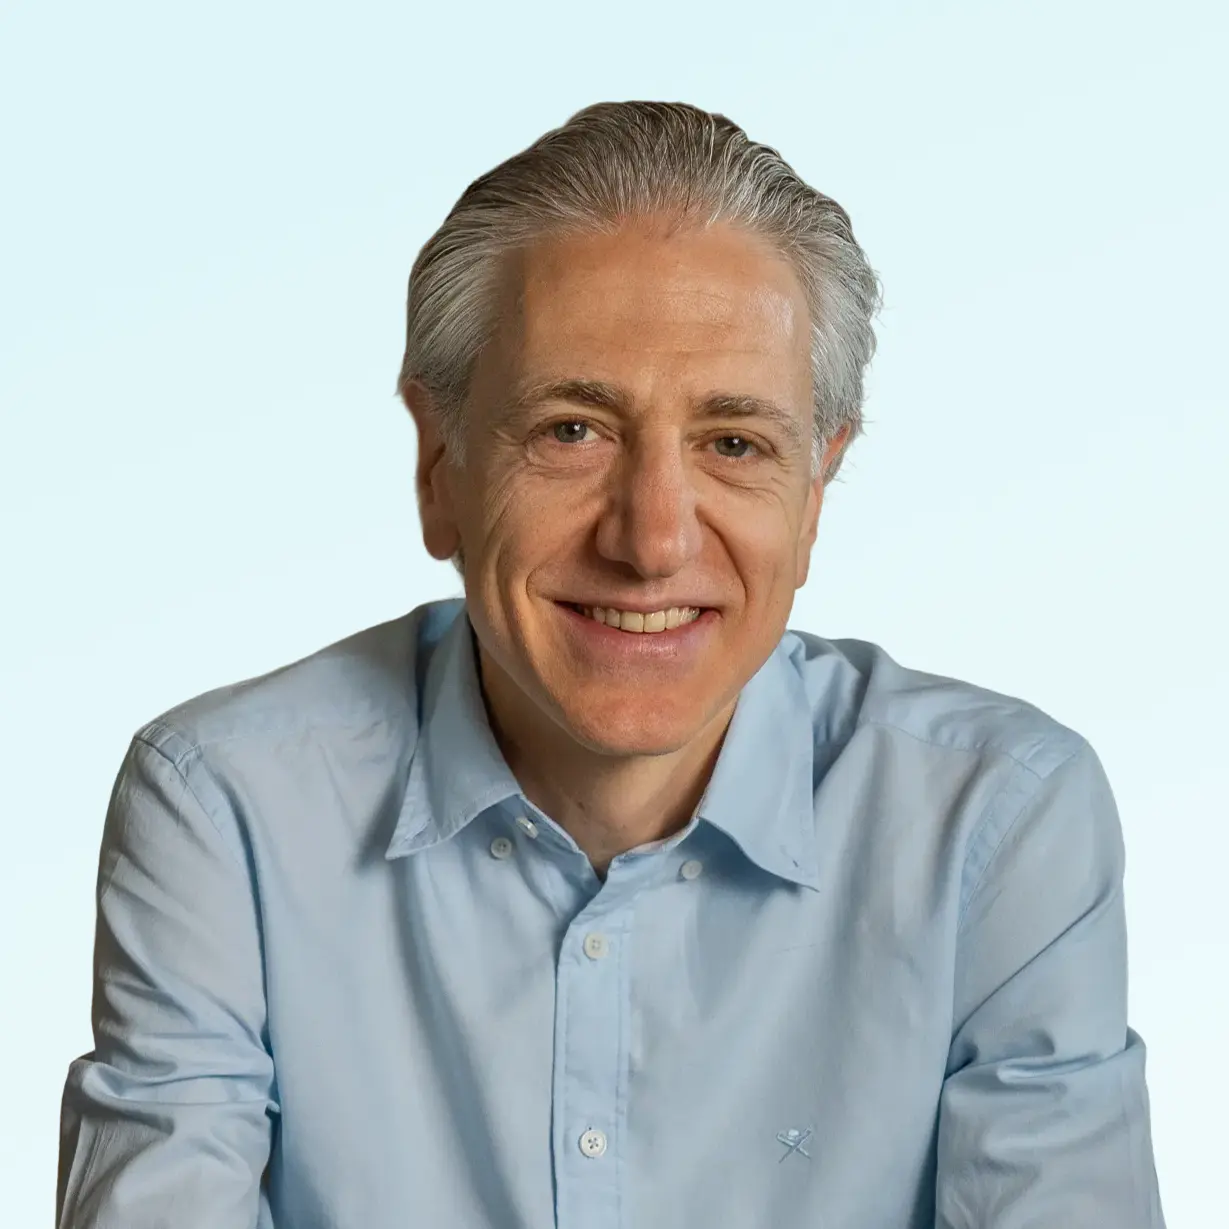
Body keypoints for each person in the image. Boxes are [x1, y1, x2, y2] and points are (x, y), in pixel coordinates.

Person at [57, 100, 1166, 1228]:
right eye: (570, 430)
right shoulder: (228, 809)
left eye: (732, 443)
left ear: (814, 489)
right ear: (437, 465)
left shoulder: (996, 823)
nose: (650, 539)